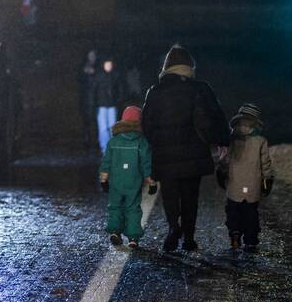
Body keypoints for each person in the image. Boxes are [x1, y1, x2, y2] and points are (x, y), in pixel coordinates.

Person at [141, 45, 229, 252]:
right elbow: (214, 117)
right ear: (190, 66)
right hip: (194, 152)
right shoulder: (200, 88)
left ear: (167, 67)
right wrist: (222, 141)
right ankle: (189, 238)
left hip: (165, 153)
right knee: (191, 196)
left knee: (170, 195)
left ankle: (173, 228)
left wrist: (154, 145)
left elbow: (147, 124)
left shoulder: (155, 92)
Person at [217, 103, 274, 252]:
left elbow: (225, 160)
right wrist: (267, 180)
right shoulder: (261, 141)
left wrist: (221, 173)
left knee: (233, 211)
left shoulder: (231, 139)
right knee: (251, 213)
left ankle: (235, 234)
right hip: (252, 185)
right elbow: (265, 163)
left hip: (234, 184)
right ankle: (251, 240)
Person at [99, 105, 156, 248]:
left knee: (115, 206)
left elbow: (106, 162)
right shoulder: (142, 142)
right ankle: (133, 238)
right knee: (133, 208)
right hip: (133, 182)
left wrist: (104, 179)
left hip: (116, 182)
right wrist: (151, 181)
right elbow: (146, 164)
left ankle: (114, 231)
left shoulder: (114, 141)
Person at [94, 58, 121, 152]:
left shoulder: (115, 75)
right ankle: (104, 148)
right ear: (103, 65)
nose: (109, 66)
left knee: (112, 127)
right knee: (103, 128)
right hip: (101, 105)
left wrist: (117, 100)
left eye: (110, 64)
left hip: (112, 105)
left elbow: (118, 89)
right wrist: (95, 103)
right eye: (107, 64)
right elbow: (94, 90)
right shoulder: (98, 76)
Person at [78, 49, 98, 148]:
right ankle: (87, 140)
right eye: (90, 55)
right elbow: (80, 81)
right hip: (86, 98)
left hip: (96, 98)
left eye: (93, 55)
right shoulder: (82, 67)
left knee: (96, 120)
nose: (92, 57)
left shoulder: (98, 67)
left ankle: (96, 140)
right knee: (86, 120)